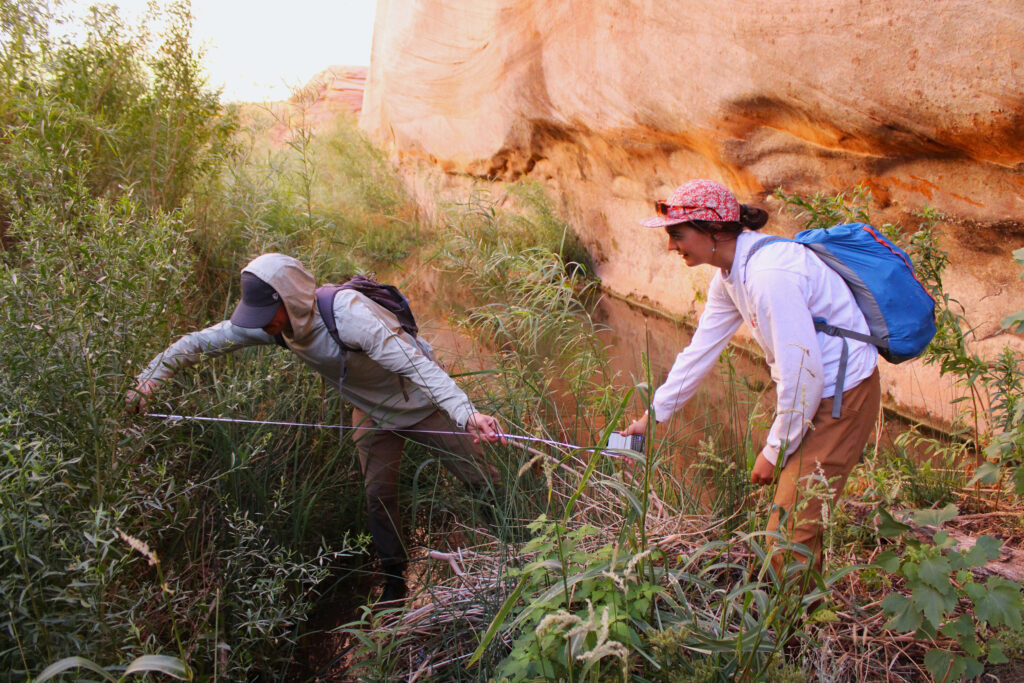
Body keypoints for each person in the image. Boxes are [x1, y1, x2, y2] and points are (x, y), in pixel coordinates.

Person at [128, 253, 507, 603]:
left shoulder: (350, 317)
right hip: (373, 414)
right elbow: (202, 342)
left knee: (478, 478)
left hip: (422, 403)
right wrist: (150, 378)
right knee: (378, 498)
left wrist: (466, 413)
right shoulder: (276, 326)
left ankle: (517, 540)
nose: (261, 323)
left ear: (290, 299)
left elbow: (417, 366)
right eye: (256, 314)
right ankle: (395, 583)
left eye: (266, 312)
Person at [621, 179, 880, 580]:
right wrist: (654, 416)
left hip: (840, 396)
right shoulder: (731, 274)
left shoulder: (769, 275)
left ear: (716, 232)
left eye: (677, 234)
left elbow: (804, 373)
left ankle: (791, 637)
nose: (671, 246)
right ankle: (800, 620)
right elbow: (701, 350)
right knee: (793, 517)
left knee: (789, 530)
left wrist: (774, 450)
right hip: (815, 395)